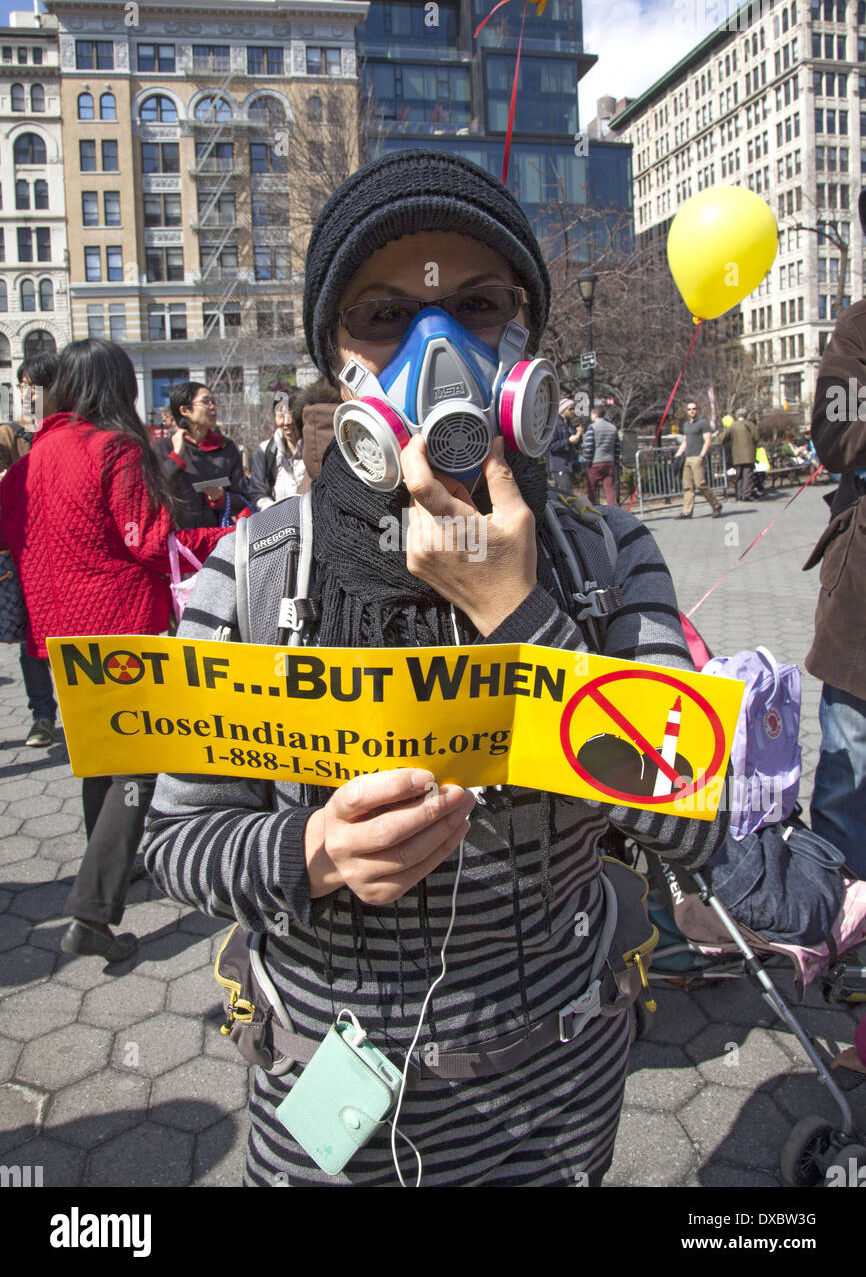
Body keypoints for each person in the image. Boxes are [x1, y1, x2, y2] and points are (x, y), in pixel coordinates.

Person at [143, 149, 728, 1189]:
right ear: (334, 353)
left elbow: (689, 813)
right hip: (327, 1097)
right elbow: (176, 842)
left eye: (476, 304)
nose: (434, 345)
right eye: (381, 315)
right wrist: (310, 850)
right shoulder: (257, 571)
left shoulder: (603, 551)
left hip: (557, 1096)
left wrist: (519, 616)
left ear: (524, 342)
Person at [0, 339, 231, 960]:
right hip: (121, 631)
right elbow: (151, 543)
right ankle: (93, 912)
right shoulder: (115, 449)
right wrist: (225, 537)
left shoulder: (31, 457)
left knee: (98, 759)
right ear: (117, 388)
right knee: (136, 766)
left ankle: (112, 866)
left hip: (59, 639)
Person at [803, 275, 866, 879]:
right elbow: (837, 436)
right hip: (863, 604)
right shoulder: (858, 326)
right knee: (853, 762)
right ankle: (844, 923)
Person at [2, 350, 61, 746]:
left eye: (33, 386)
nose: (26, 394)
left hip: (65, 555)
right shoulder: (9, 435)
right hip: (25, 559)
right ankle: (42, 715)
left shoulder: (69, 432)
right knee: (32, 642)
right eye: (23, 386)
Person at [155, 382, 250, 526]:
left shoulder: (227, 448)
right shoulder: (163, 448)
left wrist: (221, 498)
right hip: (178, 540)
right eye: (206, 402)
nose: (213, 407)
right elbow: (154, 491)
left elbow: (243, 500)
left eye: (213, 401)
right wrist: (176, 455)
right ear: (185, 410)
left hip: (218, 541)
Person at [249, 395, 307, 509]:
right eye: (281, 415)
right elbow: (257, 493)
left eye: (291, 414)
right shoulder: (266, 450)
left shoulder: (313, 449)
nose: (287, 422)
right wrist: (275, 513)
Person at [674, 401, 722, 519]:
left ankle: (716, 505)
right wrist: (678, 454)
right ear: (687, 411)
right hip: (687, 457)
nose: (692, 411)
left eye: (694, 409)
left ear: (697, 410)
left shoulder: (703, 423)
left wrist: (702, 455)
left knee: (700, 484)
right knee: (688, 487)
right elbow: (685, 441)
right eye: (690, 409)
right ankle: (687, 512)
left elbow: (708, 440)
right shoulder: (686, 425)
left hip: (697, 457)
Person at [717, 408, 759, 501]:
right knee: (748, 474)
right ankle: (747, 494)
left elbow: (721, 438)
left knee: (739, 475)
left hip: (736, 454)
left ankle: (739, 494)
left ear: (736, 416)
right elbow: (756, 438)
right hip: (749, 454)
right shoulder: (751, 425)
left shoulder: (733, 426)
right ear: (746, 415)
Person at [583, 406, 621, 507]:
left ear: (595, 414)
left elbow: (589, 446)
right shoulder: (612, 427)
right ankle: (613, 510)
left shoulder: (592, 427)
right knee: (609, 489)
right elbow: (617, 446)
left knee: (592, 489)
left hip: (596, 462)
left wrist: (587, 461)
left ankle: (593, 510)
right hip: (609, 461)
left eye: (591, 414)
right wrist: (615, 460)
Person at [547, 396, 577, 495]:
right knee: (565, 495)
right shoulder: (555, 424)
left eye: (574, 408)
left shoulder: (568, 424)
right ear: (563, 410)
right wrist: (568, 441)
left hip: (569, 464)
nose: (573, 411)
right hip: (559, 465)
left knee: (569, 494)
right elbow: (551, 446)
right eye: (570, 408)